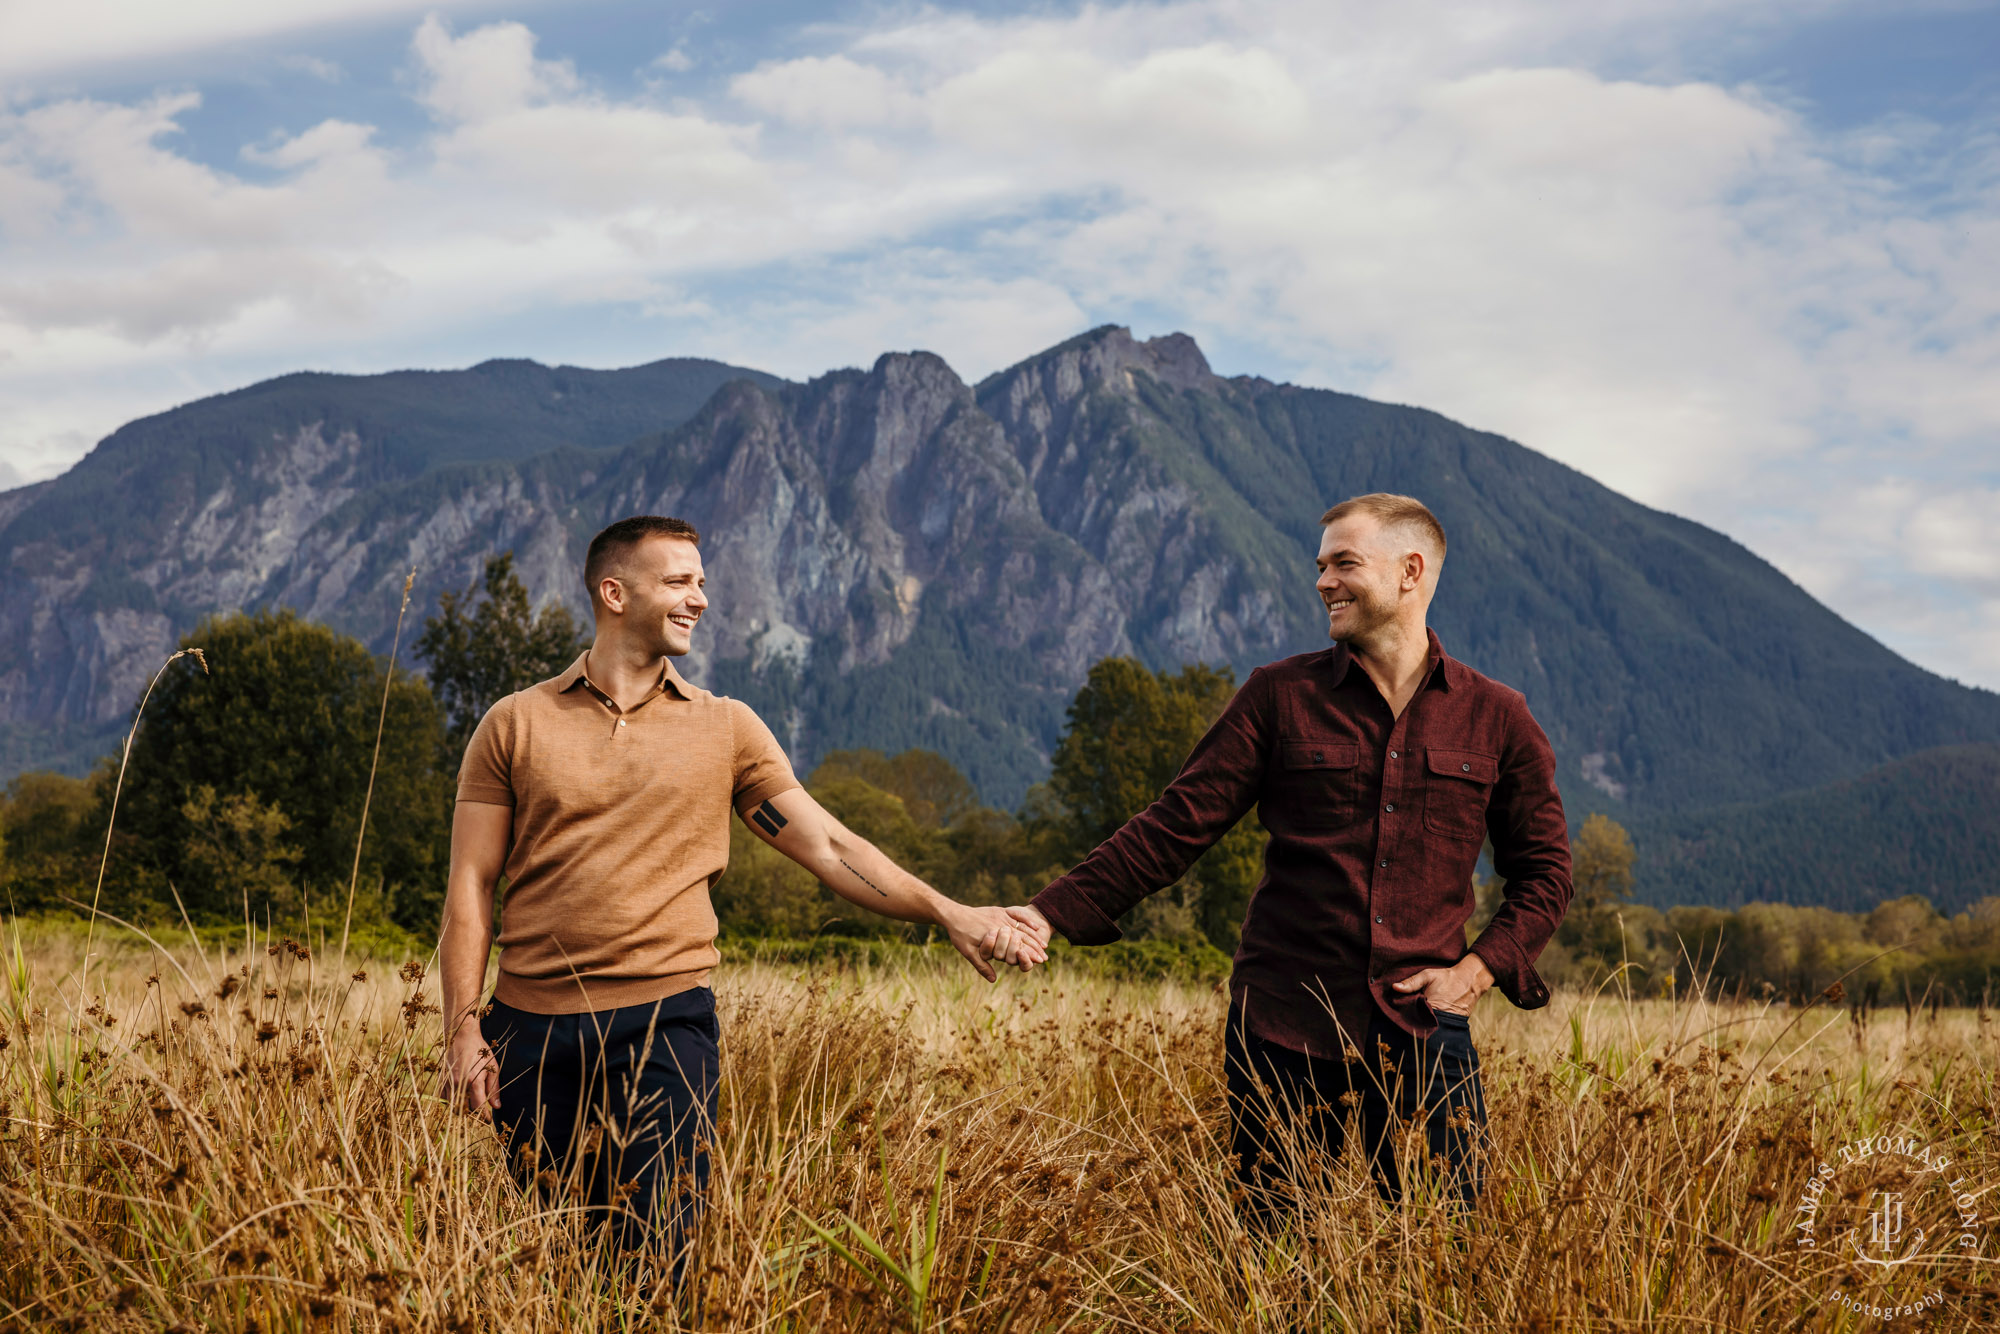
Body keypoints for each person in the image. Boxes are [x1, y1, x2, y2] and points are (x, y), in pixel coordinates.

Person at [438, 515, 1043, 1270]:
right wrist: (463, 1028)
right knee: (550, 1256)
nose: (700, 599)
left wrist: (949, 911)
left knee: (658, 1256)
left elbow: (829, 846)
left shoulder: (727, 729)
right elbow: (471, 884)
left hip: (662, 1026)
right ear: (614, 592)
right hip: (530, 1032)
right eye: (680, 582)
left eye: (702, 583)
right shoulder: (513, 724)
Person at [1008, 493, 1570, 1214]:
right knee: (1272, 1262)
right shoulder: (1278, 696)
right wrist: (1048, 914)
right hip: (1281, 1033)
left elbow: (1546, 873)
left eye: (1343, 563)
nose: (1322, 581)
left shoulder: (1498, 715)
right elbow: (1175, 825)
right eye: (1320, 564)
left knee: (1444, 1256)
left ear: (1410, 571)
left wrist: (1478, 971)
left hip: (1424, 1033)